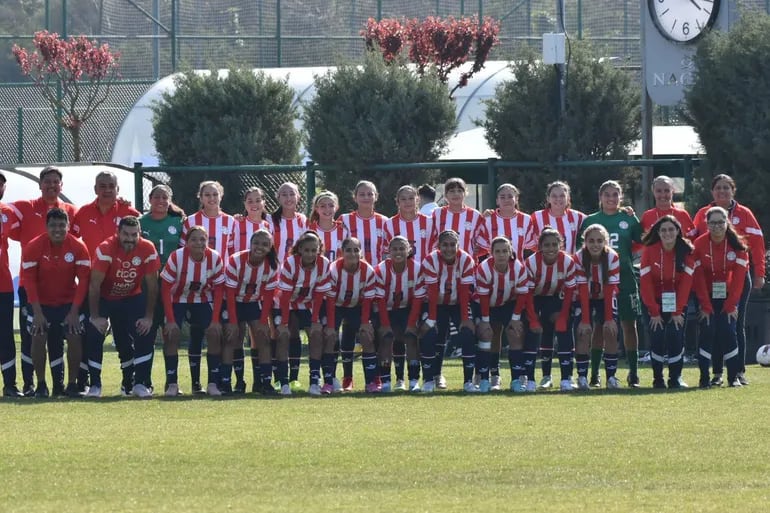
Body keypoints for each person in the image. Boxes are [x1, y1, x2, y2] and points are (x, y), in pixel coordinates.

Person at [11, 165, 79, 396]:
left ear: (61, 186)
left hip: (62, 289)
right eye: (47, 181)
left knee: (61, 338)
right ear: (40, 185)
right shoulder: (26, 207)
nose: (51, 185)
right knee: (33, 335)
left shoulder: (71, 210)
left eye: (55, 182)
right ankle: (31, 384)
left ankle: (63, 384)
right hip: (31, 289)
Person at [692, 174, 765, 386]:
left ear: (733, 190)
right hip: (708, 282)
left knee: (735, 324)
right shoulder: (702, 214)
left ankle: (738, 372)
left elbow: (758, 245)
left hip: (737, 279)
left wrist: (759, 272)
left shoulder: (744, 214)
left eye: (726, 188)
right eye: (718, 188)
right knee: (712, 326)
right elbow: (691, 240)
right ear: (712, 192)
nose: (722, 192)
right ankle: (717, 373)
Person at [72, 171, 140, 391]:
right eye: (102, 186)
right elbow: (70, 240)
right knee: (91, 333)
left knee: (123, 337)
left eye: (111, 185)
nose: (107, 190)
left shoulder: (130, 212)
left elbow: (140, 241)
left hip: (123, 286)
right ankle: (91, 383)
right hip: (95, 286)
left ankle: (128, 382)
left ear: (118, 189)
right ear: (95, 189)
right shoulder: (82, 213)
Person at [85, 216, 159, 398]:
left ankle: (139, 383)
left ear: (140, 234)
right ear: (118, 233)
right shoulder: (106, 248)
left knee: (145, 331)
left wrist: (149, 317)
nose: (130, 238)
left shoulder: (148, 248)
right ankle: (94, 385)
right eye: (125, 234)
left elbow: (153, 285)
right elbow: (94, 285)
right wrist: (95, 317)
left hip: (132, 297)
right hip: (105, 297)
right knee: (94, 333)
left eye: (134, 235)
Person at [579, 180, 642, 387]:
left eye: (615, 194)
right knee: (600, 326)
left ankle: (633, 373)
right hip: (598, 283)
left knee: (628, 325)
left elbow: (642, 242)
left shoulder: (628, 218)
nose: (611, 198)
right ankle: (595, 374)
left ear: (620, 197)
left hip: (625, 279)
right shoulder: (590, 220)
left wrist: (635, 217)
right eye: (607, 194)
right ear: (600, 197)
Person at [21, 208, 90, 398]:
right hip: (40, 304)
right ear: (46, 226)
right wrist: (37, 313)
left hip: (68, 302)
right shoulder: (34, 246)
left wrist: (74, 312)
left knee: (74, 333)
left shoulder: (78, 246)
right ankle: (41, 385)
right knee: (38, 333)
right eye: (53, 225)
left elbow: (83, 281)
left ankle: (71, 385)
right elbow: (29, 281)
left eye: (62, 225)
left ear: (68, 226)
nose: (57, 229)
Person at [181, 181, 235, 394]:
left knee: (219, 333)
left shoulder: (230, 221)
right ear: (200, 197)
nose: (211, 198)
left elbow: (231, 253)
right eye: (207, 195)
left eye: (215, 194)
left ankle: (218, 380)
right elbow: (183, 251)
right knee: (196, 334)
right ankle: (196, 382)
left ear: (221, 196)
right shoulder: (191, 221)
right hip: (196, 287)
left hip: (220, 285)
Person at [160, 225, 226, 396]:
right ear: (187, 242)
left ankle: (212, 383)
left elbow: (219, 289)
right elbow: (165, 287)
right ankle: (172, 383)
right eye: (194, 239)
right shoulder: (177, 257)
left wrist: (215, 320)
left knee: (214, 333)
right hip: (177, 299)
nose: (199, 243)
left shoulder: (214, 257)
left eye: (202, 239)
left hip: (202, 299)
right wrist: (171, 320)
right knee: (172, 334)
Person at [692, 206, 749, 388]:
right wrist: (705, 306)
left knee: (728, 331)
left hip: (729, 295)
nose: (717, 226)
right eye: (712, 222)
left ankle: (733, 377)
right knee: (708, 331)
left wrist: (732, 306)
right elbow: (698, 279)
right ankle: (706, 378)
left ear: (727, 223)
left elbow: (739, 279)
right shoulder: (699, 245)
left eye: (720, 222)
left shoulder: (738, 245)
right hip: (706, 295)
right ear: (706, 224)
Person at [639, 215, 696, 388]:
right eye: (663, 230)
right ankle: (658, 378)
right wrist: (654, 312)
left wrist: (678, 311)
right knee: (656, 337)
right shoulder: (649, 250)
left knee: (675, 336)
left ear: (678, 231)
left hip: (678, 302)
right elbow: (646, 283)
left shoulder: (687, 251)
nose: (667, 233)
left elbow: (686, 285)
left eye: (671, 229)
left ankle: (675, 378)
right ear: (658, 232)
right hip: (653, 302)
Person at [139, 184, 185, 391]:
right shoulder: (141, 222)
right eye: (156, 197)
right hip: (147, 283)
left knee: (170, 333)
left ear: (170, 200)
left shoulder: (178, 222)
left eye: (164, 197)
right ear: (150, 199)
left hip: (171, 284)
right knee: (146, 332)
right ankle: (144, 381)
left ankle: (171, 382)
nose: (160, 201)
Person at [275, 231, 332, 396]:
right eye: (306, 250)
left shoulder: (324, 263)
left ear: (319, 250)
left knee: (316, 333)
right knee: (284, 335)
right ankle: (283, 382)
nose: (310, 254)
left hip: (308, 304)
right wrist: (284, 323)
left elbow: (320, 294)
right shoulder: (290, 263)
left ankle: (315, 381)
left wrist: (315, 320)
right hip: (286, 303)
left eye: (314, 250)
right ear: (299, 249)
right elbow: (285, 296)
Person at [419, 230, 477, 392]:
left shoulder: (466, 259)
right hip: (436, 304)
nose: (449, 249)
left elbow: (465, 291)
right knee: (432, 335)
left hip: (458, 303)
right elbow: (431, 292)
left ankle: (468, 381)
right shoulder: (431, 260)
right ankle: (431, 378)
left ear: (458, 245)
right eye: (445, 245)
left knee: (467, 333)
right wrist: (431, 319)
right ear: (439, 246)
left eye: (452, 245)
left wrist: (465, 318)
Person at [224, 229, 279, 396]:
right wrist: (233, 321)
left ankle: (265, 382)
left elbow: (268, 296)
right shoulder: (236, 260)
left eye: (265, 244)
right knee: (233, 337)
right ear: (250, 243)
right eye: (256, 243)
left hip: (253, 303)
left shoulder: (272, 266)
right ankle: (233, 382)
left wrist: (264, 321)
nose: (259, 247)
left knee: (263, 337)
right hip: (233, 302)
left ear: (270, 247)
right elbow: (230, 293)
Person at [522, 228, 578, 392]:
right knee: (535, 330)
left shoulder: (567, 262)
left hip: (556, 298)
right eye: (547, 245)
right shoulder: (531, 262)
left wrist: (563, 315)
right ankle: (534, 378)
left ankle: (567, 377)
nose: (551, 248)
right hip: (535, 299)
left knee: (563, 327)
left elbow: (568, 292)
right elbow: (528, 294)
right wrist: (532, 318)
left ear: (561, 245)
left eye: (554, 244)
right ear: (540, 247)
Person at [475, 236, 530, 393]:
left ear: (510, 252)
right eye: (497, 251)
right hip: (485, 305)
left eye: (505, 251)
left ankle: (517, 379)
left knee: (515, 333)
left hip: (507, 304)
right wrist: (485, 321)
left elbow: (522, 295)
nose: (501, 255)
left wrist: (515, 318)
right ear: (491, 253)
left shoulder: (518, 268)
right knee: (487, 335)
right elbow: (484, 298)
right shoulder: (484, 269)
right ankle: (486, 378)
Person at [325, 237, 379, 393]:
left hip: (356, 307)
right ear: (342, 252)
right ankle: (329, 382)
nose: (353, 253)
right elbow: (329, 300)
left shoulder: (367, 270)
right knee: (330, 337)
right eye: (349, 250)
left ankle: (371, 382)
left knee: (366, 335)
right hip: (335, 306)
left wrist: (364, 323)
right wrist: (330, 326)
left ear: (361, 252)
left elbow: (368, 300)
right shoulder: (333, 269)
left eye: (356, 250)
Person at [231, 186, 271, 393]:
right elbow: (230, 248)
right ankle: (239, 381)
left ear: (264, 203)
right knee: (235, 335)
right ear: (244, 204)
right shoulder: (236, 223)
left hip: (259, 288)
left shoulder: (270, 224)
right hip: (236, 285)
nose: (254, 204)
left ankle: (261, 381)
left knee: (260, 335)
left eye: (258, 200)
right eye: (250, 200)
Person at [374, 236, 426, 392]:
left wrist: (411, 324)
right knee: (387, 338)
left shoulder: (417, 269)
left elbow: (417, 300)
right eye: (394, 249)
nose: (398, 252)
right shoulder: (380, 269)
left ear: (409, 250)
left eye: (402, 248)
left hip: (407, 309)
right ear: (388, 251)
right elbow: (381, 300)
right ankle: (386, 381)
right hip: (386, 310)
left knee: (411, 338)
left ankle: (413, 380)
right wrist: (385, 325)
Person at [270, 182, 308, 391]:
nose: (287, 197)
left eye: (291, 194)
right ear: (278, 198)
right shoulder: (270, 220)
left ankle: (293, 377)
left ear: (298, 197)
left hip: (299, 284)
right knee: (277, 332)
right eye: (283, 194)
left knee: (293, 331)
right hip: (274, 284)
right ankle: (277, 377)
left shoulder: (304, 221)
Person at [573, 224, 621, 389]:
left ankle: (611, 377)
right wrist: (585, 320)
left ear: (606, 242)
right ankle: (581, 377)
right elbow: (582, 289)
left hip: (605, 297)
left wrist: (608, 319)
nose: (595, 244)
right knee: (583, 331)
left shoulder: (612, 257)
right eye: (591, 240)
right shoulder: (579, 257)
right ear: (585, 241)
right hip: (584, 296)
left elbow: (609, 288)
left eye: (599, 241)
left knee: (610, 330)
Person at [0, 171, 23, 397]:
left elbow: (29, 230)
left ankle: (10, 384)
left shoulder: (8, 213)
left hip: (3, 285)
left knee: (5, 335)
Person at [431, 177, 485, 259]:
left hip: (468, 265)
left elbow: (484, 241)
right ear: (445, 195)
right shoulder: (437, 213)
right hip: (442, 263)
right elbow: (430, 238)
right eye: (452, 191)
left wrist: (478, 251)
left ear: (465, 193)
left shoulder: (475, 215)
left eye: (459, 191)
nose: (456, 194)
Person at [478, 183, 534, 262]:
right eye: (502, 197)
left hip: (518, 270)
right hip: (493, 270)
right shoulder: (488, 219)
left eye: (510, 197)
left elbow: (532, 246)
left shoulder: (526, 219)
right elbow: (481, 248)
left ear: (516, 199)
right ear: (497, 201)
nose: (506, 200)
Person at [339, 180, 388, 266]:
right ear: (355, 197)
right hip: (351, 272)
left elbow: (388, 251)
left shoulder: (384, 221)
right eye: (362, 194)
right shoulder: (344, 219)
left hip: (377, 273)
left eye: (370, 194)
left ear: (376, 197)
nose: (366, 197)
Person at [530, 181, 586, 255]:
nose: (558, 199)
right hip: (544, 263)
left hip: (569, 264)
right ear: (548, 198)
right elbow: (529, 241)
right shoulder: (537, 216)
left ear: (568, 198)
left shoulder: (578, 217)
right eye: (554, 196)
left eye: (562, 196)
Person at [384, 185, 434, 264]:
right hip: (400, 271)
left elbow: (434, 248)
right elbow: (387, 251)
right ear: (397, 202)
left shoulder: (429, 222)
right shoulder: (389, 224)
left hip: (424, 271)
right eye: (403, 199)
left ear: (417, 200)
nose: (407, 202)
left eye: (411, 198)